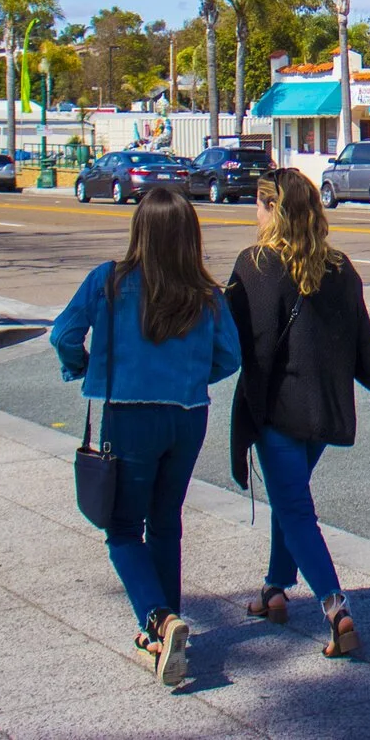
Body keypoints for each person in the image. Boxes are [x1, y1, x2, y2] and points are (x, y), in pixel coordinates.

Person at [229, 167, 370, 658]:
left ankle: (336, 607)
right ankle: (274, 589)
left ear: (274, 211)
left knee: (294, 507)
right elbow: (364, 344)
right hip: (325, 413)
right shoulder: (339, 267)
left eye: (259, 203)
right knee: (288, 499)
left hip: (278, 411)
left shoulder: (255, 264)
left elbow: (235, 341)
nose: (255, 213)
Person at [51, 186, 239, 686]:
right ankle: (164, 630)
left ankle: (157, 619)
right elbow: (230, 357)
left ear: (140, 230)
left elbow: (63, 336)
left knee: (120, 528)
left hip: (129, 414)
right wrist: (193, 376)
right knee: (165, 520)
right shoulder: (205, 291)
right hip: (187, 415)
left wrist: (85, 368)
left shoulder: (108, 281)